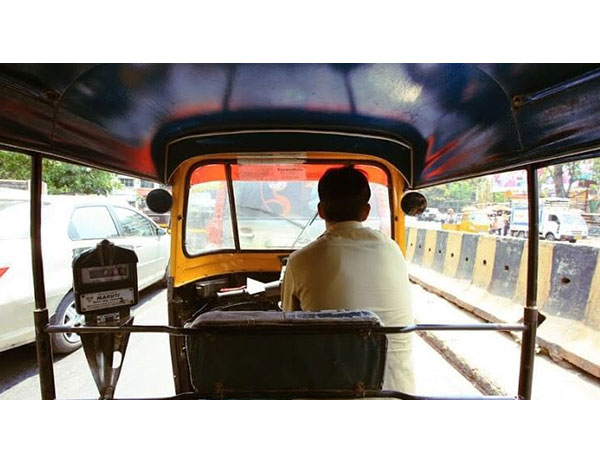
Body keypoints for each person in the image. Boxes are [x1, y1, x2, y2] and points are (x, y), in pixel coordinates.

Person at [281, 165, 415, 394]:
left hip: (332, 394)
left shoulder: (300, 260)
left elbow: (289, 326)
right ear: (365, 212)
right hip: (397, 393)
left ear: (321, 210)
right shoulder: (393, 250)